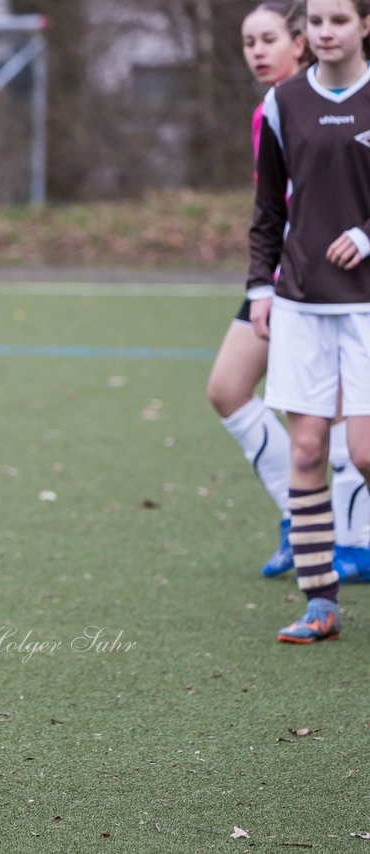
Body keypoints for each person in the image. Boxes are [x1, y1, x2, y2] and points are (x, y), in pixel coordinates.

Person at [210, 1, 370, 581]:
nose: (257, 51)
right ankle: (306, 525)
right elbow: (272, 205)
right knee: (230, 389)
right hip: (288, 277)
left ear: (297, 44)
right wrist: (262, 283)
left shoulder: (326, 98)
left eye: (269, 39)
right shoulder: (277, 109)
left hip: (341, 283)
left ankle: (351, 536)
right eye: (248, 41)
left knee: (350, 430)